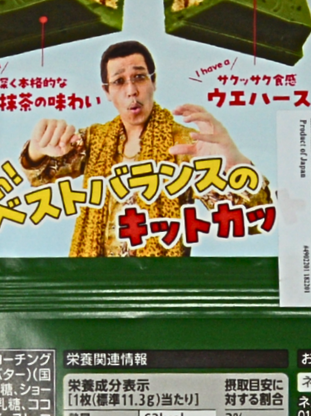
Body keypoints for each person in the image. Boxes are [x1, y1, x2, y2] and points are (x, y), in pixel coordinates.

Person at [21, 40, 270, 256]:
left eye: (139, 77)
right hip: (98, 281)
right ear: (107, 91)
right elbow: (39, 174)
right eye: (119, 81)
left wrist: (234, 164)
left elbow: (252, 218)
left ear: (154, 81)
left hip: (161, 283)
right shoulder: (94, 140)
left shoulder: (187, 144)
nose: (131, 91)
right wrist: (37, 149)